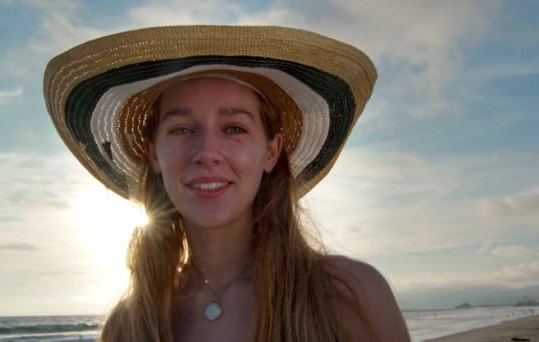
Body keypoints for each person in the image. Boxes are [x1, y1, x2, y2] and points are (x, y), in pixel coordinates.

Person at [44, 25, 410, 341]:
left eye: (234, 128)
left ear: (271, 152)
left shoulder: (347, 295)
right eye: (182, 129)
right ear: (153, 154)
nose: (206, 152)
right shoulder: (129, 327)